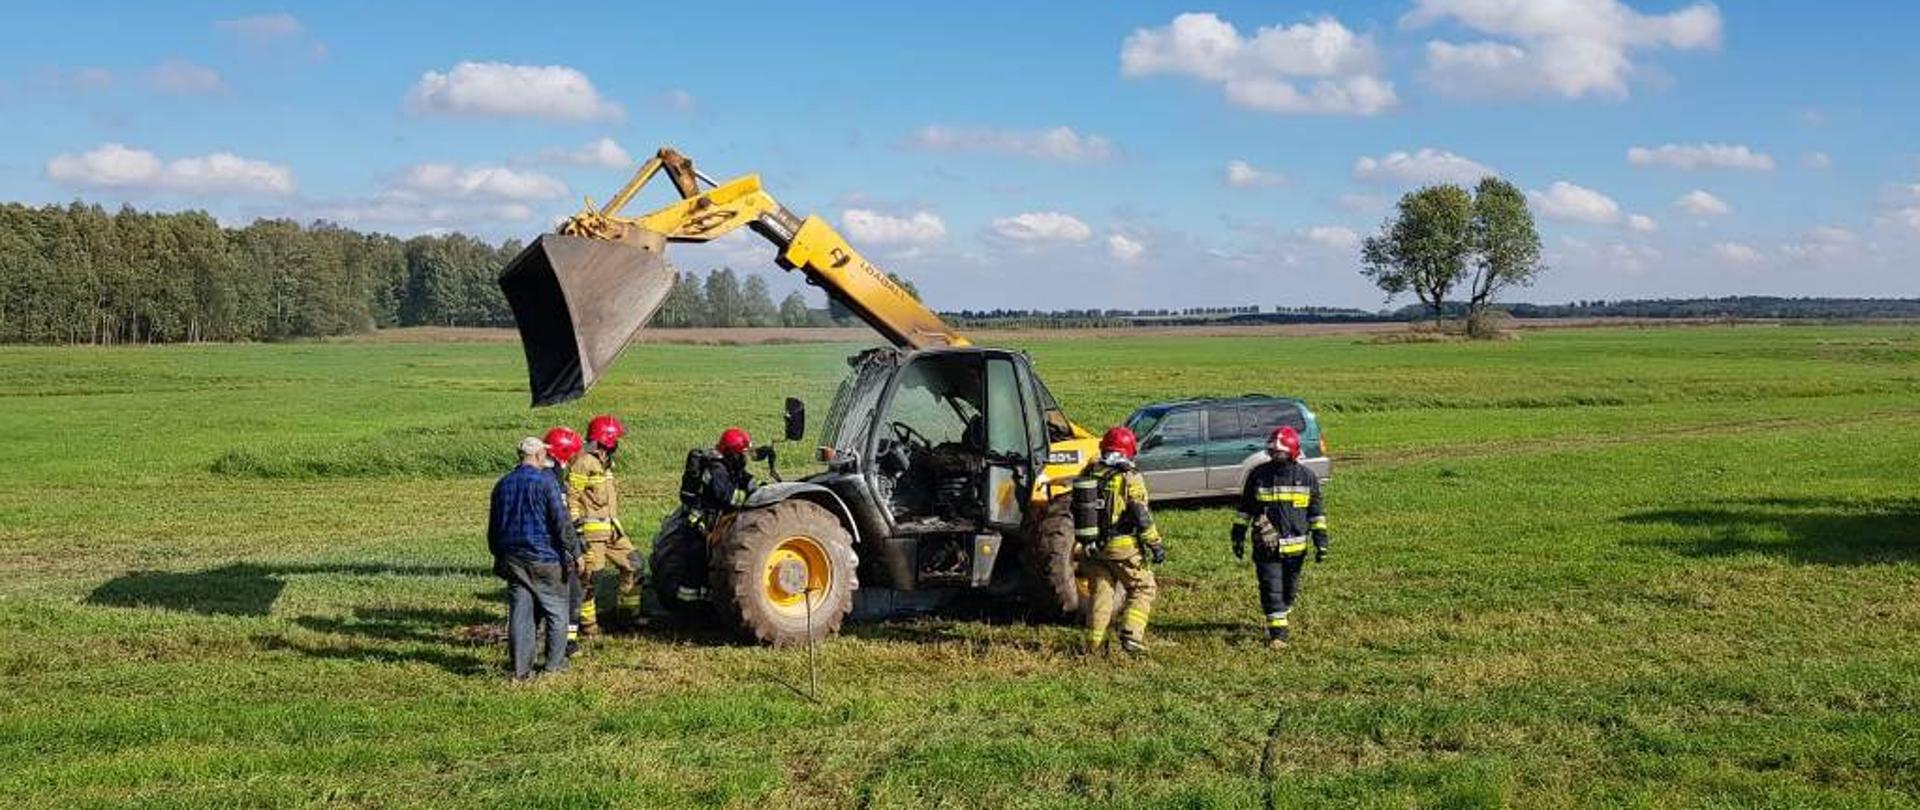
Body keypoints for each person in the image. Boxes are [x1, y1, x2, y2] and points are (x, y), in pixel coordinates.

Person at [1230, 426, 1330, 650]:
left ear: (1292, 451)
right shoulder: (1258, 475)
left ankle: (1281, 614)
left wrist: (1321, 541)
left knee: (1288, 592)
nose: (1275, 455)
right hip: (1266, 546)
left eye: (1280, 452)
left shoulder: (1307, 477)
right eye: (1272, 451)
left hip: (1296, 550)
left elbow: (1316, 513)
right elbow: (1245, 508)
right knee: (1271, 588)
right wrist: (1238, 534)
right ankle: (1278, 635)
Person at [488, 436, 578, 681]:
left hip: (513, 559)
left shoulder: (502, 484)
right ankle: (553, 667)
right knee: (557, 611)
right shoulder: (547, 482)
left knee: (521, 614)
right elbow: (562, 523)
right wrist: (576, 552)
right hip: (545, 558)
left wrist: (498, 556)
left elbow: (494, 528)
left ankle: (520, 672)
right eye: (544, 455)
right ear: (538, 456)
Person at [1077, 426, 1164, 655]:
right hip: (1122, 547)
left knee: (1101, 594)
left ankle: (1093, 645)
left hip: (1092, 547)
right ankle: (1131, 635)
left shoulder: (1091, 470)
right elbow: (1140, 514)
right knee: (1143, 587)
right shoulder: (1128, 477)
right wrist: (1155, 543)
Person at [568, 414, 640, 634]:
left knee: (635, 564)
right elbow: (571, 497)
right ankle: (587, 625)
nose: (618, 443)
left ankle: (627, 616)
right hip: (591, 535)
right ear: (606, 439)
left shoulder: (604, 463)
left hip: (611, 531)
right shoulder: (583, 463)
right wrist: (577, 531)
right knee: (591, 578)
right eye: (615, 438)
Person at [671, 426, 757, 602]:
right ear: (732, 453)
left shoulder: (723, 463)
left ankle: (703, 599)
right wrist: (752, 497)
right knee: (698, 563)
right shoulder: (717, 469)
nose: (744, 458)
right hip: (704, 522)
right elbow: (727, 497)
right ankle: (693, 603)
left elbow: (740, 476)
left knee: (701, 562)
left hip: (705, 518)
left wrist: (754, 483)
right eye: (741, 454)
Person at [543, 426, 585, 653]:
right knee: (572, 593)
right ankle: (566, 643)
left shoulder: (539, 471)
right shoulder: (553, 477)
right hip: (554, 547)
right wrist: (574, 549)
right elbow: (560, 518)